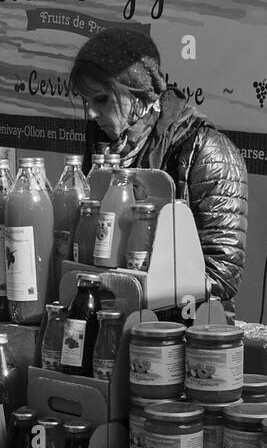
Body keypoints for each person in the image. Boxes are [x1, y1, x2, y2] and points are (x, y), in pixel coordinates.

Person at [71, 27, 249, 306]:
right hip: (111, 311)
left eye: (102, 99)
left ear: (138, 93)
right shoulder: (102, 147)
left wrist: (141, 286)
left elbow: (222, 275)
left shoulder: (208, 150)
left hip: (176, 328)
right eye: (85, 101)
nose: (91, 114)